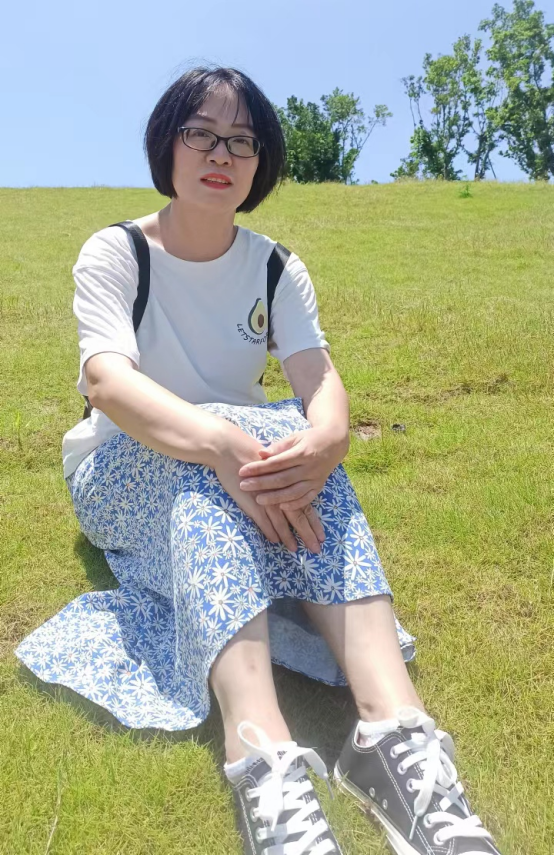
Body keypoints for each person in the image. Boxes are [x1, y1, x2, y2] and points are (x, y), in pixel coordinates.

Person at [16, 66, 501, 856]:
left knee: (301, 445)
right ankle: (260, 750)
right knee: (238, 445)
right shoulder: (118, 252)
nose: (222, 154)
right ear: (167, 143)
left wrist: (327, 439)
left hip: (237, 466)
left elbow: (318, 380)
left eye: (242, 141)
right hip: (118, 468)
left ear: (261, 162)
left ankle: (393, 730)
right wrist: (223, 443)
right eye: (201, 133)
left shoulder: (275, 266)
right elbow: (107, 383)